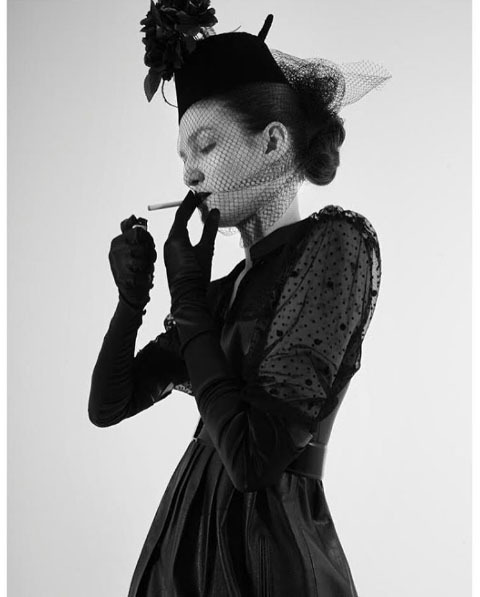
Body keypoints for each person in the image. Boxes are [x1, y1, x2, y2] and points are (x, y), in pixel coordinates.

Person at [88, 3, 391, 595]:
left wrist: (188, 299)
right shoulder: (224, 290)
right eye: (183, 157)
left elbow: (254, 460)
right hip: (185, 548)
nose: (189, 175)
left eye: (205, 146)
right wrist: (131, 301)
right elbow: (108, 404)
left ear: (273, 142)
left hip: (266, 552)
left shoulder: (335, 245)